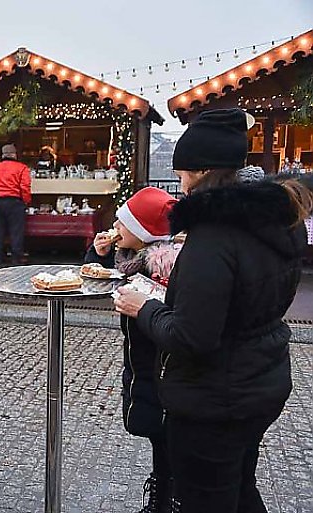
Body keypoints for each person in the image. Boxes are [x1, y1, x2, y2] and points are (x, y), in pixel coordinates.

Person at [114, 108, 312, 513]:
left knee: (209, 498)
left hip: (215, 401)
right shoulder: (277, 219)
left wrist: (144, 308)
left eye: (183, 173)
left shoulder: (214, 237)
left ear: (202, 171)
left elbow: (192, 336)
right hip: (260, 382)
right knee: (239, 488)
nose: (181, 184)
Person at [86, 187, 180, 513]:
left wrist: (145, 308)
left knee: (168, 437)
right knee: (159, 436)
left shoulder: (163, 269)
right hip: (143, 365)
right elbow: (98, 281)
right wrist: (97, 255)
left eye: (122, 221)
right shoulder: (130, 260)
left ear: (142, 232)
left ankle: (167, 501)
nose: (115, 226)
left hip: (164, 370)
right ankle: (162, 496)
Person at [0, 144, 32, 264]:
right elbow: (25, 187)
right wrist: (26, 201)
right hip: (15, 202)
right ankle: (16, 258)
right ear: (15, 155)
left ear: (3, 155)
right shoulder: (22, 168)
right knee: (16, 231)